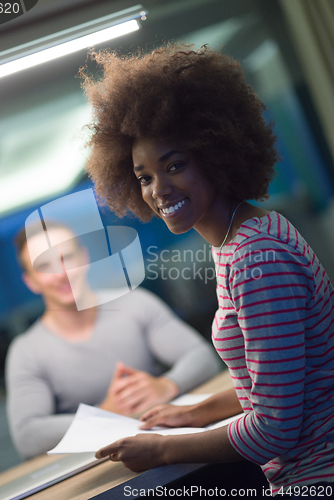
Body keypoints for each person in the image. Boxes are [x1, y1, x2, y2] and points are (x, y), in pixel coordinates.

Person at [79, 44, 334, 495]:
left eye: (174, 165)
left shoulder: (258, 259)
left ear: (215, 152)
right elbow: (280, 375)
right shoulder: (238, 238)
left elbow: (276, 429)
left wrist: (163, 450)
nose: (158, 190)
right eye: (144, 177)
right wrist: (195, 413)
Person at [5, 221, 221, 459]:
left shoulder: (135, 304)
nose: (61, 274)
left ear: (84, 258)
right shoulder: (26, 351)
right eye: (44, 266)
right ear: (31, 281)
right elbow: (27, 435)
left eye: (66, 258)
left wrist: (167, 386)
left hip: (165, 444)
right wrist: (103, 415)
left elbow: (202, 356)